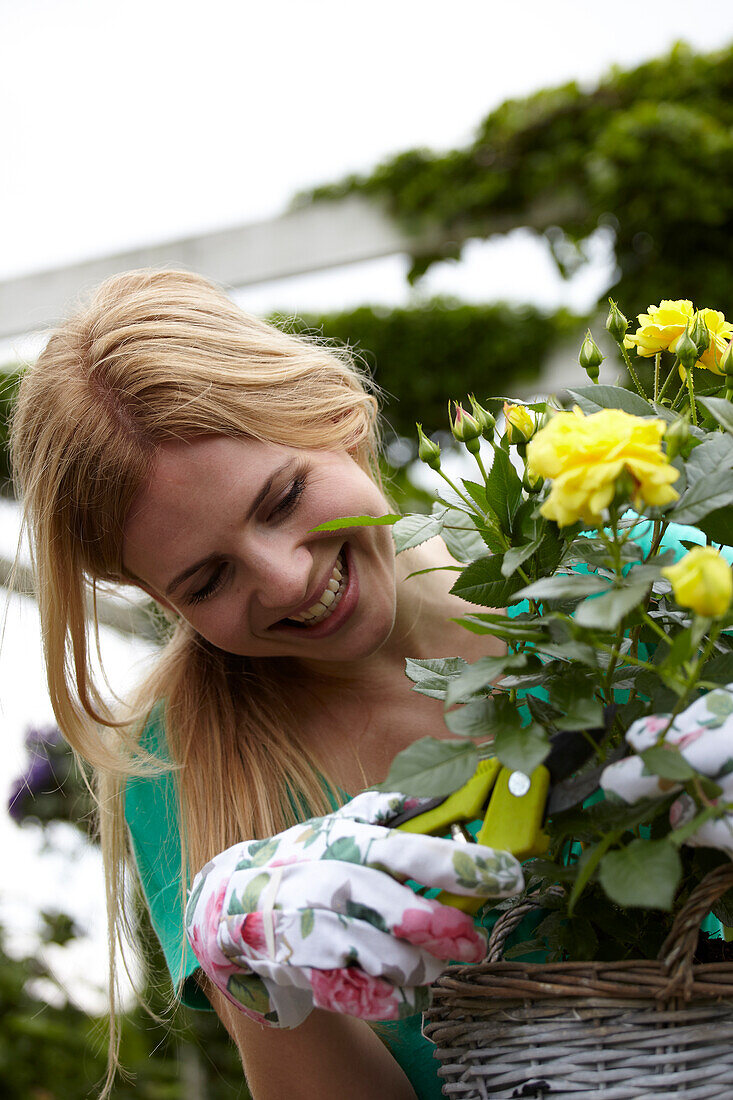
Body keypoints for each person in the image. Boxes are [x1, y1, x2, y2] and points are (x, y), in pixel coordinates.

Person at [10, 268, 524, 1100]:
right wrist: (258, 967)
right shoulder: (185, 756)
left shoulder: (582, 562)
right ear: (156, 597)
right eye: (206, 581)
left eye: (282, 498)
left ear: (331, 408)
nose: (284, 581)